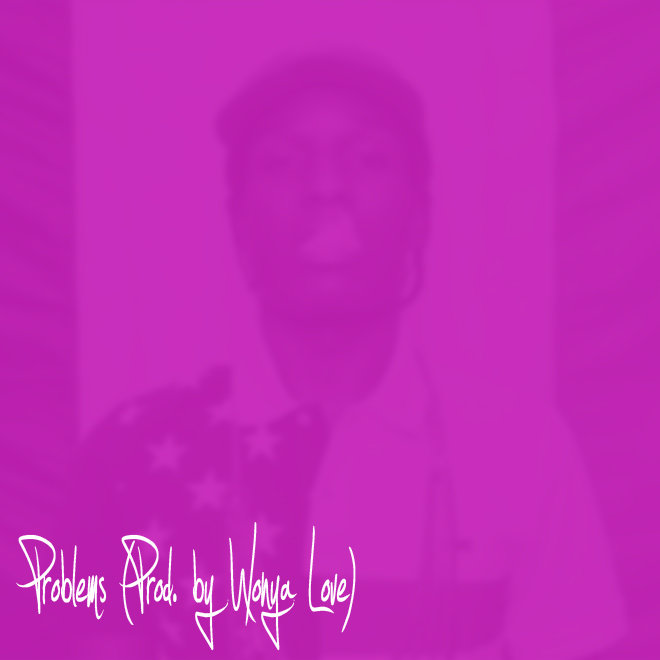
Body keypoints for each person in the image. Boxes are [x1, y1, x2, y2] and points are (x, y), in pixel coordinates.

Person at [60, 52, 625, 659]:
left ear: (419, 218)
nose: (326, 188)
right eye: (282, 162)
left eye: (368, 159)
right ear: (238, 225)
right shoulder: (132, 453)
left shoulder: (523, 450)